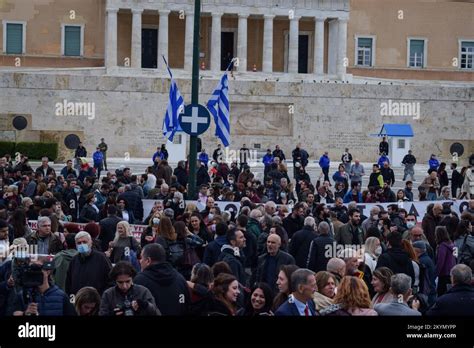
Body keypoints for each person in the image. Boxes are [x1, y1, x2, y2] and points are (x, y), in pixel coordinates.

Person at [134, 243, 189, 315]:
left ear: (148, 261)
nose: (140, 261)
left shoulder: (139, 281)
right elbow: (187, 307)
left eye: (141, 258)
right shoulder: (180, 279)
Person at [11, 258, 76, 316]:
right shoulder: (23, 294)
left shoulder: (61, 296)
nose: (34, 272)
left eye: (38, 269)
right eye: (32, 268)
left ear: (48, 271)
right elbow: (14, 313)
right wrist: (25, 313)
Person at [412, 241, 437, 306]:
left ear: (416, 250)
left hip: (427, 294)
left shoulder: (421, 262)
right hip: (431, 291)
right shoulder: (427, 259)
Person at [435, 226, 456, 296]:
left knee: (441, 293)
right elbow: (456, 257)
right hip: (451, 272)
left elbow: (441, 261)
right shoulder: (452, 244)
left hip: (443, 273)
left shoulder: (442, 246)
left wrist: (436, 273)